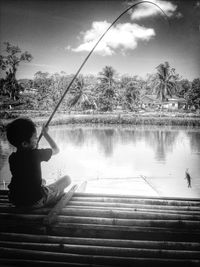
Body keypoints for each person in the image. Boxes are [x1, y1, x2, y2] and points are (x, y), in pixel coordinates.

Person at [6, 117, 71, 209]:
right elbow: (56, 149)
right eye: (35, 137)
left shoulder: (12, 158)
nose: (37, 139)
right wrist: (45, 134)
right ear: (24, 144)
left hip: (15, 199)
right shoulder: (36, 154)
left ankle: (48, 192)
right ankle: (55, 197)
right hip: (35, 202)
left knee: (43, 181)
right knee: (67, 179)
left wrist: (33, 147)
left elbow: (25, 167)